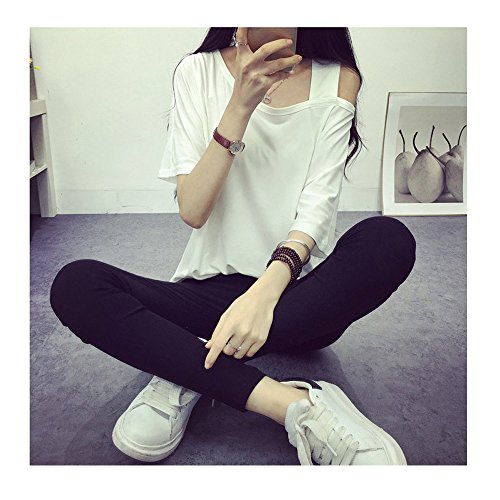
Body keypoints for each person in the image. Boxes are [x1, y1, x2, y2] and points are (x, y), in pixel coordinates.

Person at [49, 27, 417, 466]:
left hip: (294, 297)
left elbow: (316, 209)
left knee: (388, 240)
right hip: (207, 289)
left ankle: (186, 362)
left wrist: (264, 294)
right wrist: (240, 104)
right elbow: (193, 209)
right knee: (77, 285)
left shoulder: (338, 78)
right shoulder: (197, 71)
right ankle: (295, 404)